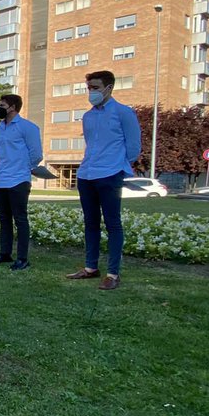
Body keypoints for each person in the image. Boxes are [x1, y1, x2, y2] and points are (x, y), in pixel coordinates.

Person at [66, 71, 141, 291]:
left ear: (109, 88)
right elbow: (91, 144)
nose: (91, 92)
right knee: (90, 223)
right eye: (89, 87)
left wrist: (117, 166)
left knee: (113, 223)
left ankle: (113, 273)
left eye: (95, 87)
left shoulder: (124, 113)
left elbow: (134, 147)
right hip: (86, 174)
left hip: (110, 173)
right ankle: (90, 268)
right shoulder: (88, 116)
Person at [0, 94, 43, 271]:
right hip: (1, 179)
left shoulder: (28, 127)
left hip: (19, 179)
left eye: (2, 104)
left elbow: (36, 154)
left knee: (20, 219)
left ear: (12, 107)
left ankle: (22, 258)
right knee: (4, 219)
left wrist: (23, 168)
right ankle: (5, 253)